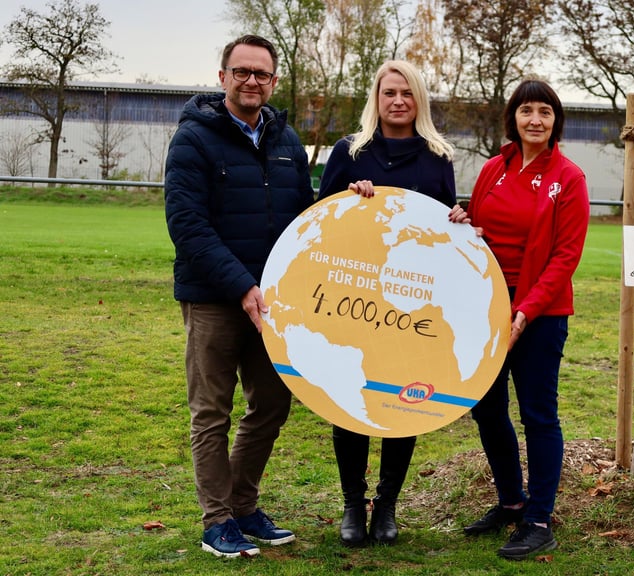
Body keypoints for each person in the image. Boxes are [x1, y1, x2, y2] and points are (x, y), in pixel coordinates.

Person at [164, 34, 314, 558]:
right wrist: (241, 285)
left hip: (273, 302)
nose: (252, 81)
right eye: (242, 71)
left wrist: (355, 205)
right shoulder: (193, 139)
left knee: (272, 403)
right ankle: (217, 520)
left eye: (262, 74)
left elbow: (307, 221)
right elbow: (187, 224)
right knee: (211, 411)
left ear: (274, 81)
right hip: (213, 297)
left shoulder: (287, 141)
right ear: (223, 76)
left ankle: (244, 505)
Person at [317, 60, 457, 547]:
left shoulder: (438, 156)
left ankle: (388, 505)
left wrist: (459, 219)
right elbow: (319, 225)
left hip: (410, 303)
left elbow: (443, 234)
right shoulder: (349, 152)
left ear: (419, 100)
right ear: (376, 99)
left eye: (407, 93)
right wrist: (351, 200)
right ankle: (354, 505)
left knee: (403, 401)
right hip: (354, 300)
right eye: (389, 92)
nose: (398, 100)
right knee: (350, 402)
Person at [453, 79, 589, 561]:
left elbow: (566, 255)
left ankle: (538, 519)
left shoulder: (569, 178)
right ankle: (511, 502)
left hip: (541, 311)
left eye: (545, 112)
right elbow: (482, 228)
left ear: (556, 122)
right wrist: (464, 222)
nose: (535, 120)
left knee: (537, 413)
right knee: (486, 408)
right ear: (513, 117)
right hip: (487, 306)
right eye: (527, 110)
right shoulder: (494, 168)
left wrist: (526, 311)